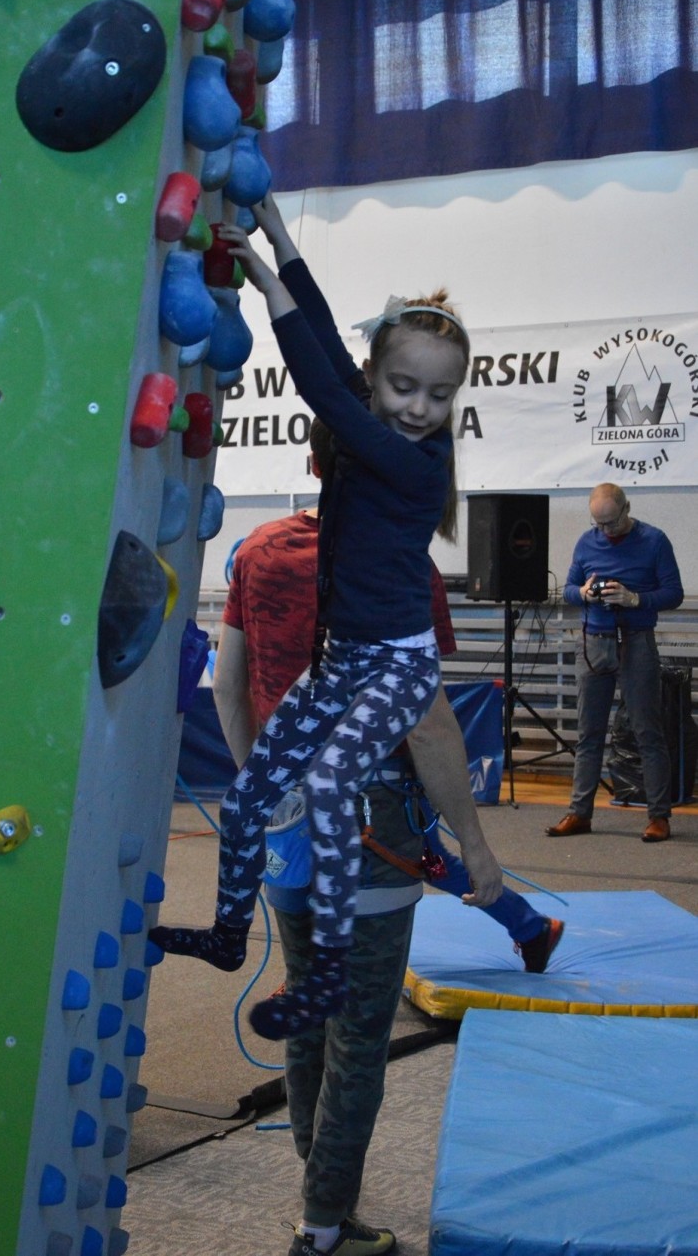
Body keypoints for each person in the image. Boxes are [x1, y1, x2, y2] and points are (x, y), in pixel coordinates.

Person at [152, 192, 503, 1052]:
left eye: (438, 394)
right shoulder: (373, 412)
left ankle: (329, 978)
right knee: (251, 798)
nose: (420, 406)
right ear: (380, 372)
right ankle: (231, 935)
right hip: (343, 658)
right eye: (403, 385)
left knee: (337, 783)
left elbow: (320, 383)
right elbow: (332, 354)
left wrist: (260, 271)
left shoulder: (407, 459)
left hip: (395, 667)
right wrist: (274, 229)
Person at [210, 420, 564, 1256]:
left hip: (287, 814)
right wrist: (476, 845)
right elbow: (431, 723)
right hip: (369, 824)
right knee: (359, 1031)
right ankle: (325, 1223)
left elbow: (227, 685)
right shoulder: (401, 566)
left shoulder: (254, 552)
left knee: (308, 1008)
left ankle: (317, 1193)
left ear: (312, 463)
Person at [547, 482, 683, 843]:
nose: (604, 531)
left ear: (627, 509)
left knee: (647, 732)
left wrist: (635, 598)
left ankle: (659, 816)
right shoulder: (586, 541)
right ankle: (579, 813)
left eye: (610, 522)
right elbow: (569, 589)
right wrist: (585, 593)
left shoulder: (655, 541)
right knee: (589, 733)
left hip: (636, 642)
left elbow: (674, 593)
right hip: (593, 641)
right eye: (598, 524)